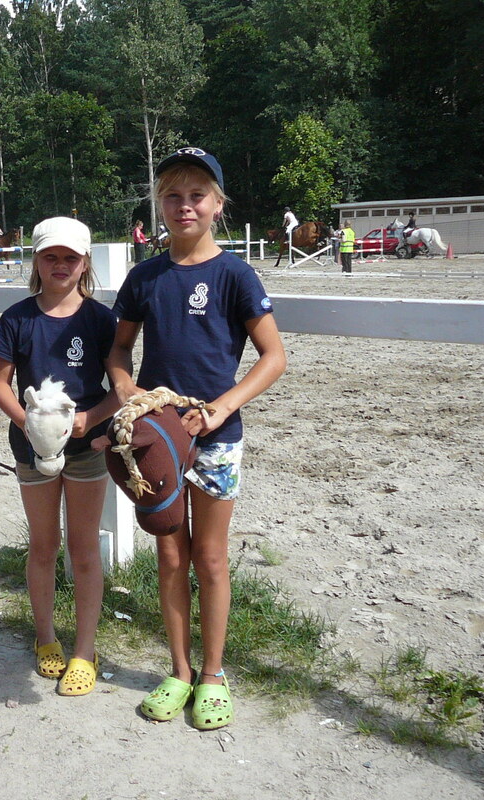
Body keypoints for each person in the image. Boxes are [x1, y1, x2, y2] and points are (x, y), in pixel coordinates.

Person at [108, 147, 286, 729]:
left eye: (197, 195)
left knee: (209, 556)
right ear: (159, 205)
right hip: (158, 438)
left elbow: (273, 357)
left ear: (218, 204)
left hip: (216, 438)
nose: (185, 205)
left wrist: (221, 407)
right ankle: (179, 670)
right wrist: (128, 391)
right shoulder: (144, 277)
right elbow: (118, 351)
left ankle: (213, 673)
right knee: (169, 553)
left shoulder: (235, 274)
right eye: (173, 195)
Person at [0, 217, 121, 697]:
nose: (60, 265)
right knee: (43, 544)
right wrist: (29, 424)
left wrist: (90, 418)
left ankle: (85, 649)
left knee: (83, 549)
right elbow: (0, 384)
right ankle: (45, 636)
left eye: (70, 257)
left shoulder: (101, 320)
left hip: (87, 449)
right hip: (33, 449)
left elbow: (121, 387)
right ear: (37, 261)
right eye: (50, 257)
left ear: (84, 263)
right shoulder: (18, 318)